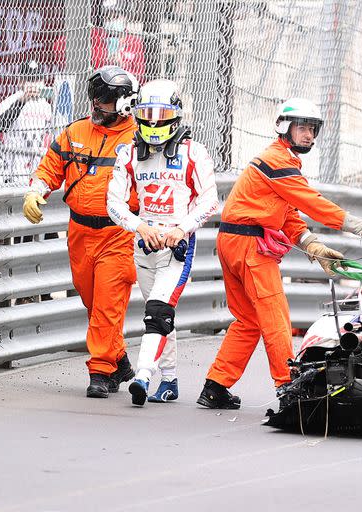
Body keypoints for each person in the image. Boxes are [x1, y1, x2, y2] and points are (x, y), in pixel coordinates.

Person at [197, 97, 362, 409]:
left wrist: (311, 245)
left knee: (248, 319)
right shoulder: (279, 161)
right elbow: (311, 202)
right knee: (275, 316)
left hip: (235, 243)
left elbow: (289, 214)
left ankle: (216, 385)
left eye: (313, 129)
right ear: (284, 127)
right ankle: (289, 387)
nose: (309, 135)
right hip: (249, 248)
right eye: (302, 128)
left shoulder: (282, 161)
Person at [22, 65, 141, 398]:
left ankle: (101, 371)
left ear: (123, 103)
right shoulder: (75, 132)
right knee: (94, 303)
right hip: (79, 232)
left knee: (107, 303)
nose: (97, 106)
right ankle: (119, 360)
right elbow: (50, 168)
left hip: (118, 234)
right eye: (96, 99)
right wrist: (36, 190)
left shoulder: (139, 139)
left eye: (104, 100)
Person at [107, 79, 219, 406]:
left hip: (176, 249)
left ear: (176, 115)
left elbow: (209, 200)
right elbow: (113, 203)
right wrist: (139, 226)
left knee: (156, 313)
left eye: (162, 114)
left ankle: (142, 375)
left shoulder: (193, 152)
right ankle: (169, 381)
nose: (154, 122)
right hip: (143, 245)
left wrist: (181, 228)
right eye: (148, 114)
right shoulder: (128, 153)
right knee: (160, 315)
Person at [0, 60, 53, 185]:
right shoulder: (11, 101)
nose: (34, 85)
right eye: (29, 80)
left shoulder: (47, 106)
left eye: (37, 80)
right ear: (21, 81)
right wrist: (22, 101)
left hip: (36, 169)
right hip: (12, 168)